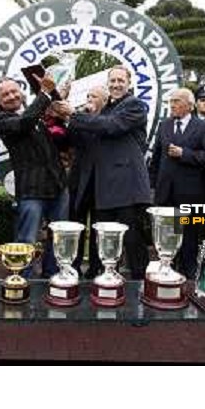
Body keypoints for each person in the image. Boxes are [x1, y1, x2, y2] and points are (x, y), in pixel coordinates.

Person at [58, 65, 151, 280]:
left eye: (121, 80)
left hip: (128, 188)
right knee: (107, 244)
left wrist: (73, 113)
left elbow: (112, 126)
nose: (117, 84)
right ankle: (109, 283)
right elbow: (83, 132)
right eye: (113, 81)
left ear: (129, 83)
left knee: (132, 241)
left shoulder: (134, 105)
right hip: (106, 189)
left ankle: (141, 286)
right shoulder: (105, 109)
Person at [0, 75, 68, 277]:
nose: (11, 96)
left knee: (58, 238)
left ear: (21, 92)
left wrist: (63, 112)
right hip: (31, 191)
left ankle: (53, 277)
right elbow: (25, 123)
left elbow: (59, 142)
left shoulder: (38, 117)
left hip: (58, 186)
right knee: (26, 239)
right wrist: (44, 93)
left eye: (14, 91)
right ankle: (21, 281)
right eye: (5, 94)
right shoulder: (2, 121)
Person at [150, 88, 205, 278]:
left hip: (190, 193)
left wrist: (184, 154)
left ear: (190, 104)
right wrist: (153, 187)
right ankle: (166, 273)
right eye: (171, 102)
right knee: (166, 236)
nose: (172, 105)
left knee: (188, 238)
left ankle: (188, 277)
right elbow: (156, 159)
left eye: (177, 101)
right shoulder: (164, 125)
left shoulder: (202, 127)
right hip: (165, 193)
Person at [69, 85, 108, 278]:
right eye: (88, 95)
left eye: (94, 96)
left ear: (104, 101)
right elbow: (71, 139)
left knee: (97, 227)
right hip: (79, 181)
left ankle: (95, 268)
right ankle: (73, 266)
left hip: (101, 181)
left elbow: (104, 127)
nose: (90, 99)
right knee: (76, 224)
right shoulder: (79, 117)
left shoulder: (108, 119)